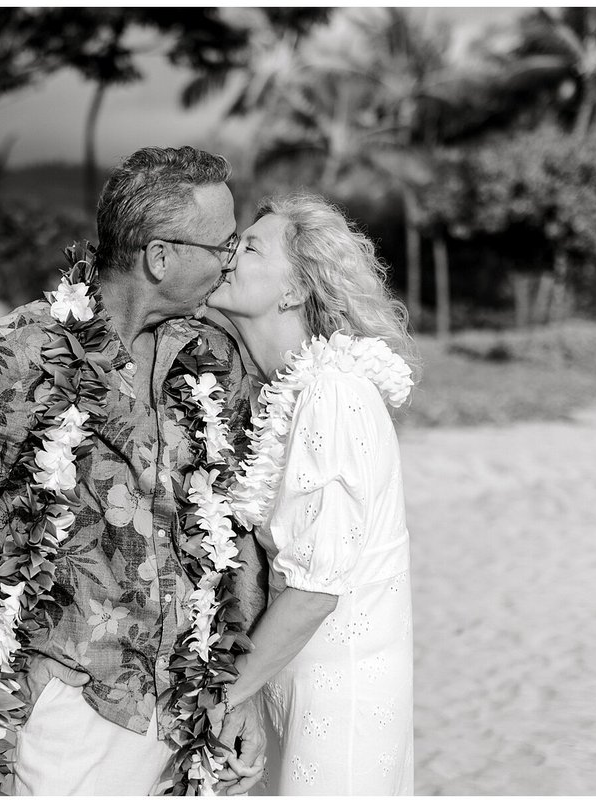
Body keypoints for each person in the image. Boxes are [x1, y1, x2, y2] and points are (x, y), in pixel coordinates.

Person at [0, 146, 267, 795]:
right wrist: (7, 648)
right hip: (75, 709)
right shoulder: (18, 354)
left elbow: (236, 528)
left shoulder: (215, 355)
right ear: (160, 257)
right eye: (223, 244)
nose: (231, 259)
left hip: (196, 708)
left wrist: (239, 688)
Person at [207, 192, 416, 795]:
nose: (228, 254)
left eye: (249, 247)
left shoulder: (334, 395)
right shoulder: (291, 391)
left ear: (294, 290)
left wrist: (220, 701)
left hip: (341, 701)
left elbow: (315, 587)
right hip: (293, 679)